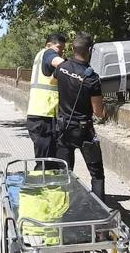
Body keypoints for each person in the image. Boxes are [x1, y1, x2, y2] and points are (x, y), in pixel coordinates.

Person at [54, 32, 106, 201]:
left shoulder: (62, 68)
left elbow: (54, 82)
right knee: (96, 173)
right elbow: (98, 112)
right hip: (84, 131)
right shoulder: (91, 78)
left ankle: (64, 210)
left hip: (63, 129)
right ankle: (100, 216)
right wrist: (104, 114)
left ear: (72, 48)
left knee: (65, 173)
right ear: (90, 50)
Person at [26, 33, 66, 170]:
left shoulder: (42, 56)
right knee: (45, 164)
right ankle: (37, 188)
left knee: (50, 162)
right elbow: (56, 61)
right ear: (48, 45)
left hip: (44, 116)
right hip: (43, 116)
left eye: (63, 49)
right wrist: (74, 67)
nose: (60, 52)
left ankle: (48, 189)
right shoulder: (47, 53)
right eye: (59, 47)